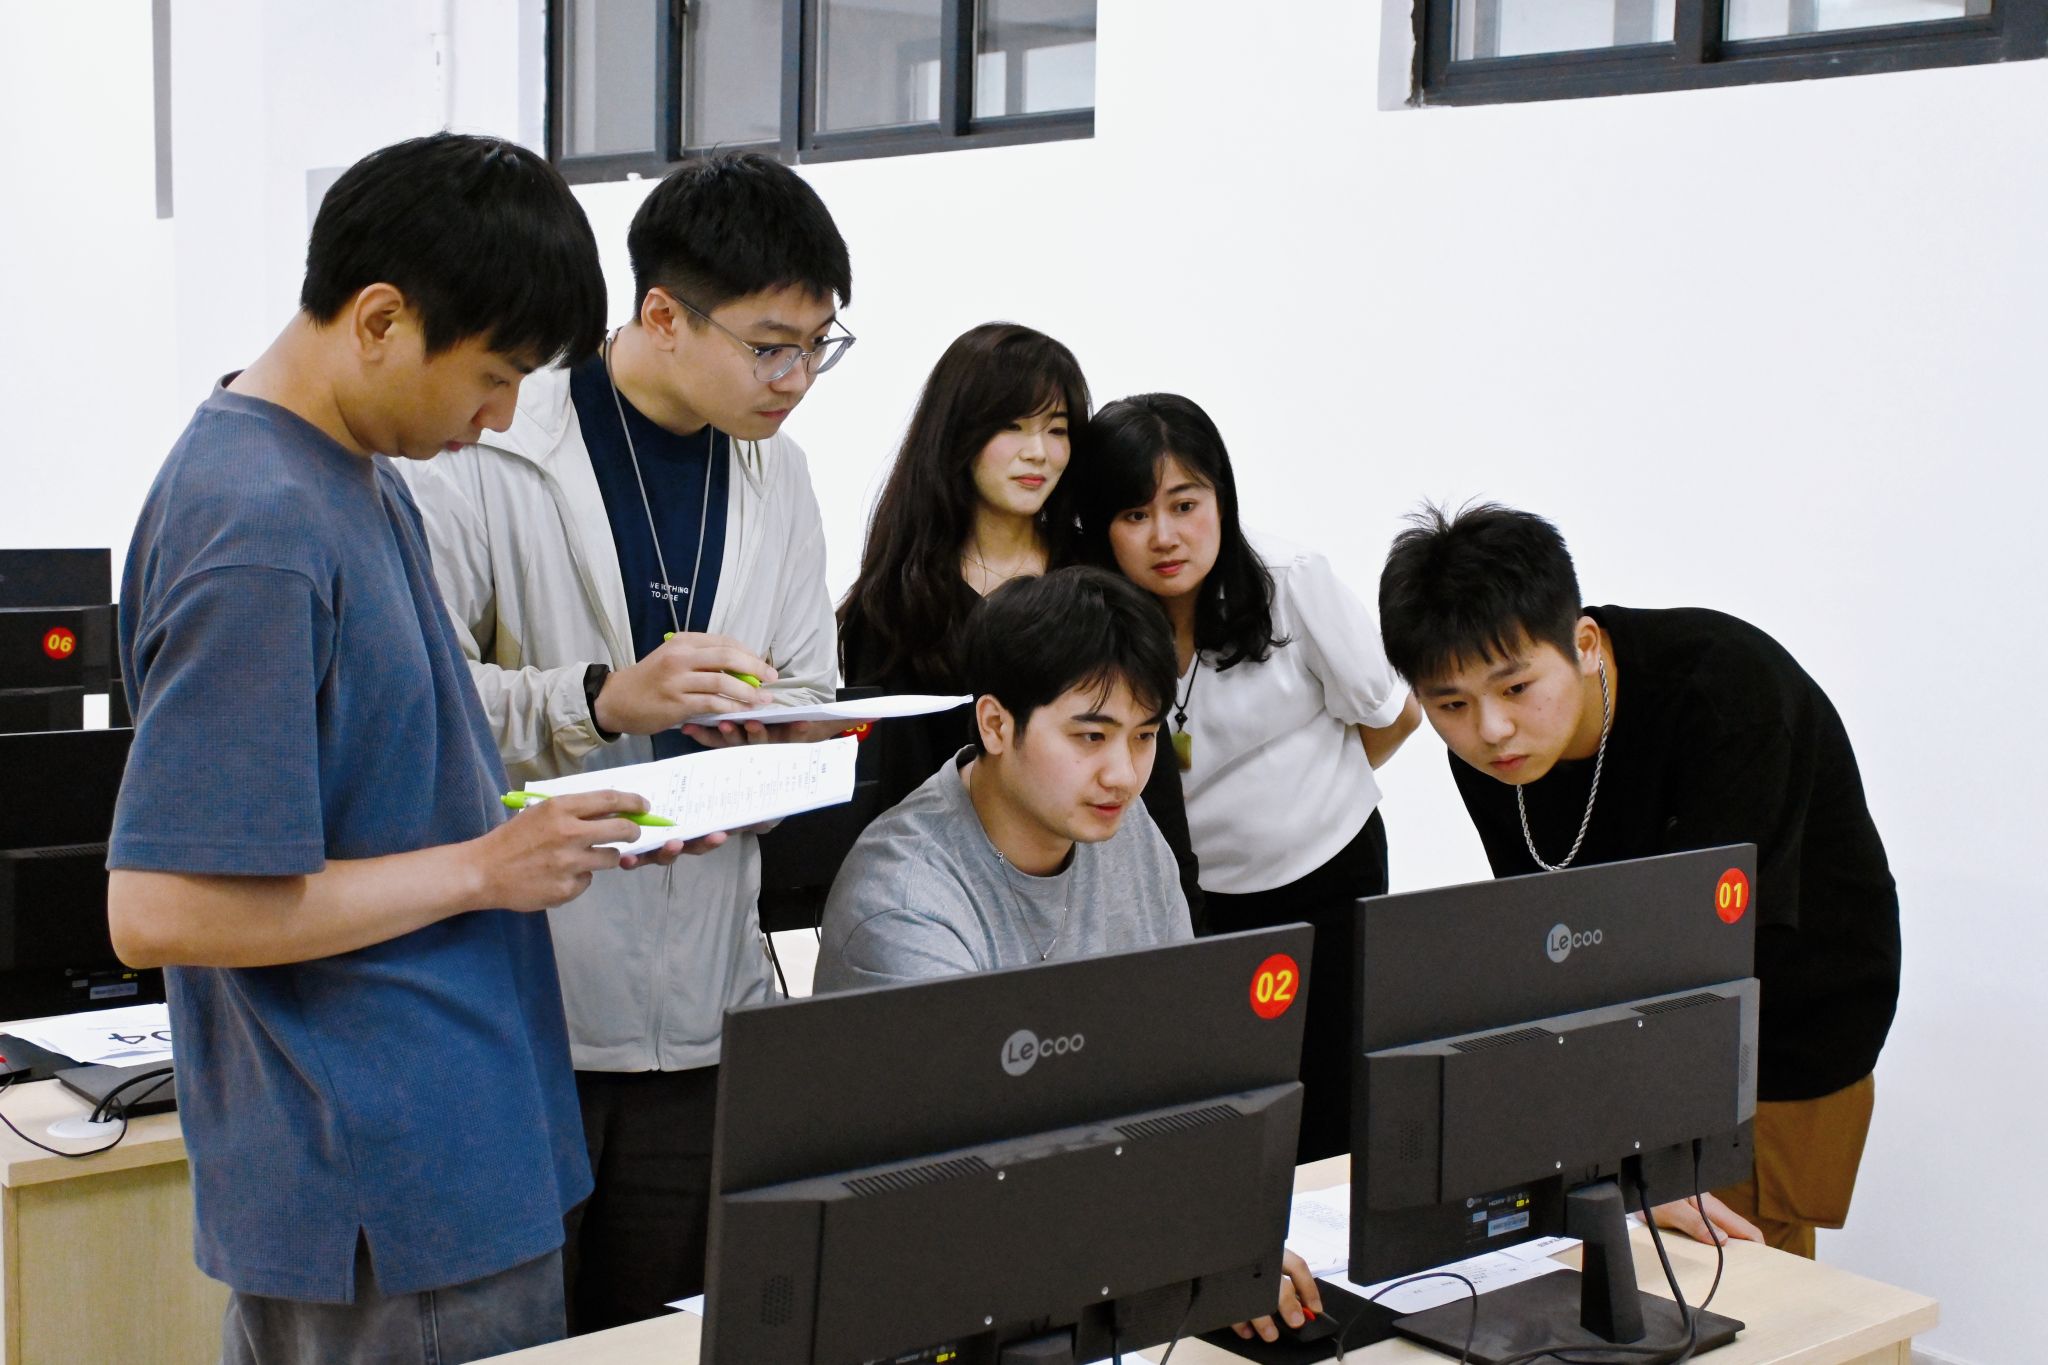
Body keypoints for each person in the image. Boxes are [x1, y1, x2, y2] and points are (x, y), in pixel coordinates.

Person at [106, 133, 721, 1365]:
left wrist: (551, 838)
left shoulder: (352, 473)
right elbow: (163, 908)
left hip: (446, 1146)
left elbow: (374, 794)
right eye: (492, 376)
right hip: (389, 1177)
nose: (498, 418)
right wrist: (485, 870)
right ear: (380, 320)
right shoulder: (260, 526)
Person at [401, 149, 852, 1331]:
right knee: (512, 1338)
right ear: (661, 315)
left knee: (661, 1339)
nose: (798, 378)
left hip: (706, 1013)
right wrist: (600, 700)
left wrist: (783, 745)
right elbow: (421, 706)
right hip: (525, 1009)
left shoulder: (780, 475)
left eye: (820, 344)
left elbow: (809, 679)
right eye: (770, 345)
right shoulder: (493, 448)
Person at [1376, 502, 1901, 1258]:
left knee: (1738, 1280)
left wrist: (1648, 1150)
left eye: (1516, 688)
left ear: (1584, 644)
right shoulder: (1498, 751)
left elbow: (1712, 955)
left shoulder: (1728, 696)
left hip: (1784, 1026)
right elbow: (1550, 927)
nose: (1490, 729)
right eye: (1451, 704)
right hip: (1637, 1038)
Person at [816, 566, 1322, 1345]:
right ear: (995, 724)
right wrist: (1182, 1246)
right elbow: (965, 1183)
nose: (1124, 773)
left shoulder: (1122, 830)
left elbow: (1182, 1081)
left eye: (1145, 735)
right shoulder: (904, 900)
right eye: (1090, 735)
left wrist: (1222, 1236)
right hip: (943, 1296)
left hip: (1097, 1269)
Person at [1068, 393, 1419, 1164]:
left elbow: (1394, 714)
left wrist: (1307, 796)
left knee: (1332, 1106)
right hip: (1203, 904)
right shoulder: (1097, 622)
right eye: (1134, 515)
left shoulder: (1291, 580)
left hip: (1332, 878)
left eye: (1185, 504)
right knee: (1226, 1113)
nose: (1164, 536)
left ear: (1221, 497)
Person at [836, 323, 1202, 916]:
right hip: (954, 903)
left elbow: (1149, 765)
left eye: (1057, 430)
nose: (1039, 452)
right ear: (957, 432)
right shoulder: (896, 606)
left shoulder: (1101, 575)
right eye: (1012, 426)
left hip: (1107, 898)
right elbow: (895, 802)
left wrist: (1180, 901)